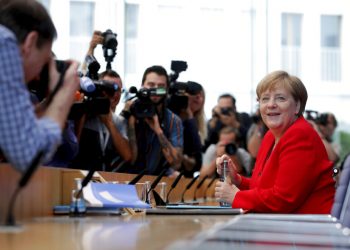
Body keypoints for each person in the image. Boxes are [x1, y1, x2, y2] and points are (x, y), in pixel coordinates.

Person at [215, 70, 335, 214]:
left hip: (304, 230)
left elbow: (284, 199)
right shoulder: (270, 136)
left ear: (297, 106)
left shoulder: (300, 135)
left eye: (280, 98)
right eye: (265, 99)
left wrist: (236, 196)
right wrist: (237, 180)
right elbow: (262, 189)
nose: (271, 105)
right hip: (283, 225)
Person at [0, 0, 80, 172]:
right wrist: (62, 96)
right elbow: (29, 154)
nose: (38, 75)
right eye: (44, 62)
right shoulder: (4, 43)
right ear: (30, 42)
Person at [71, 31, 132, 171]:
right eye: (108, 89)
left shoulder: (119, 122)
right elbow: (72, 149)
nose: (114, 95)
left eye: (118, 90)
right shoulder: (86, 116)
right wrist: (91, 48)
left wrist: (109, 122)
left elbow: (128, 156)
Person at [122, 65, 183, 175]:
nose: (155, 90)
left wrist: (158, 130)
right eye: (151, 85)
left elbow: (176, 163)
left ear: (166, 89)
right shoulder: (130, 110)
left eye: (160, 86)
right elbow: (129, 158)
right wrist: (130, 121)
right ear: (142, 86)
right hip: (128, 178)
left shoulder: (173, 120)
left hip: (156, 180)